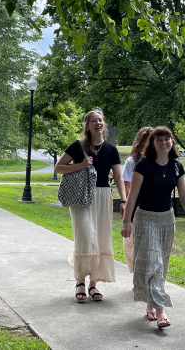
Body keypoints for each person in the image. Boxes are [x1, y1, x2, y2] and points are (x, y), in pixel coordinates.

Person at [121, 126, 185, 329]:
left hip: (167, 219)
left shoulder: (176, 166)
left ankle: (150, 303)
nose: (164, 142)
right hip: (145, 218)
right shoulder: (143, 166)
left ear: (172, 142)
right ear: (152, 143)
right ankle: (161, 310)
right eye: (159, 139)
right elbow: (133, 196)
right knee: (153, 262)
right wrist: (127, 222)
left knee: (160, 265)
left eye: (167, 139)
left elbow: (184, 195)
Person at [54, 110, 127, 303]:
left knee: (101, 238)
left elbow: (118, 177)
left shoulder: (111, 149)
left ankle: (93, 284)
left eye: (101, 120)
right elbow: (58, 167)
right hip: (81, 196)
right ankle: (80, 281)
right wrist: (82, 165)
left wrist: (124, 200)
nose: (98, 123)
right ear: (87, 126)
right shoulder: (78, 146)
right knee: (85, 238)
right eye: (94, 121)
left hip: (103, 195)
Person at [121, 127, 153, 274]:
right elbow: (127, 189)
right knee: (135, 244)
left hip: (154, 207)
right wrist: (127, 209)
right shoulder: (131, 162)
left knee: (151, 244)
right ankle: (138, 275)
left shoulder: (159, 160)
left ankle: (149, 276)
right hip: (136, 207)